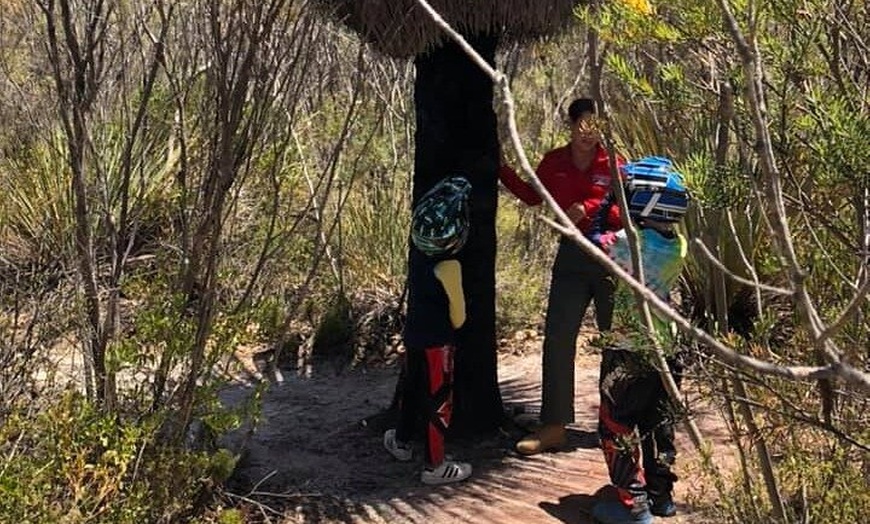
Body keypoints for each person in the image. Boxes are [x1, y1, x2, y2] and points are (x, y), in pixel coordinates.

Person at [499, 98, 625, 455]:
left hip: (611, 258)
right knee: (557, 337)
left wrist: (592, 208)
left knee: (614, 342)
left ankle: (615, 424)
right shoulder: (554, 162)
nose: (589, 133)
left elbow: (629, 212)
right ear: (570, 125)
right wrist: (501, 168)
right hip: (570, 256)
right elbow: (531, 195)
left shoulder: (614, 163)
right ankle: (553, 427)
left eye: (595, 125)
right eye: (582, 124)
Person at [589, 156, 691, 524]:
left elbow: (592, 237)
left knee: (615, 425)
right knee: (659, 424)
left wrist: (605, 201)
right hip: (666, 351)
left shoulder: (627, 243)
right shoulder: (678, 244)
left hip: (628, 352)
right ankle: (661, 497)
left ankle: (633, 506)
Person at [383, 176, 474, 485]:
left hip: (414, 335)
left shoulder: (417, 255)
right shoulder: (450, 266)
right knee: (439, 401)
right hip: (440, 343)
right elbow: (459, 317)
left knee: (412, 388)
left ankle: (401, 441)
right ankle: (435, 465)